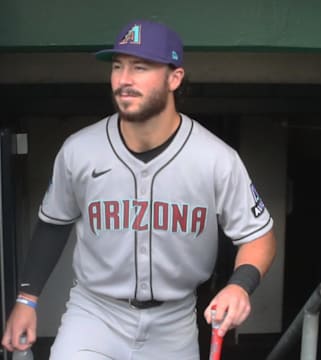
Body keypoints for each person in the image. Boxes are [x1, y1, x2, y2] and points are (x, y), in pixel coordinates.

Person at [1, 19, 276, 359]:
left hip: (174, 322)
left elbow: (258, 236)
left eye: (140, 67)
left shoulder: (216, 158)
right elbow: (53, 224)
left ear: (175, 78)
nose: (124, 79)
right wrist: (26, 300)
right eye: (118, 67)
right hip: (95, 314)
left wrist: (239, 286)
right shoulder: (79, 149)